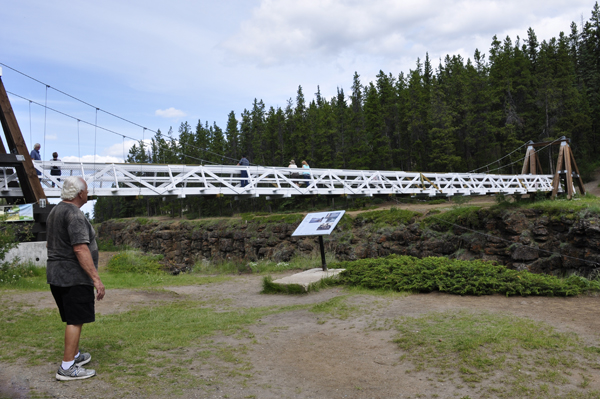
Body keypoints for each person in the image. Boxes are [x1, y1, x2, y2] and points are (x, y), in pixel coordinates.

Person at [47, 176, 105, 381]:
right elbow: (80, 248)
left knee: (73, 317)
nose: (87, 193)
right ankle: (67, 367)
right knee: (75, 320)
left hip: (56, 275)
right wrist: (96, 279)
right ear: (80, 193)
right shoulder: (75, 214)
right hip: (73, 276)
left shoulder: (56, 210)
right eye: (86, 190)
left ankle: (75, 355)